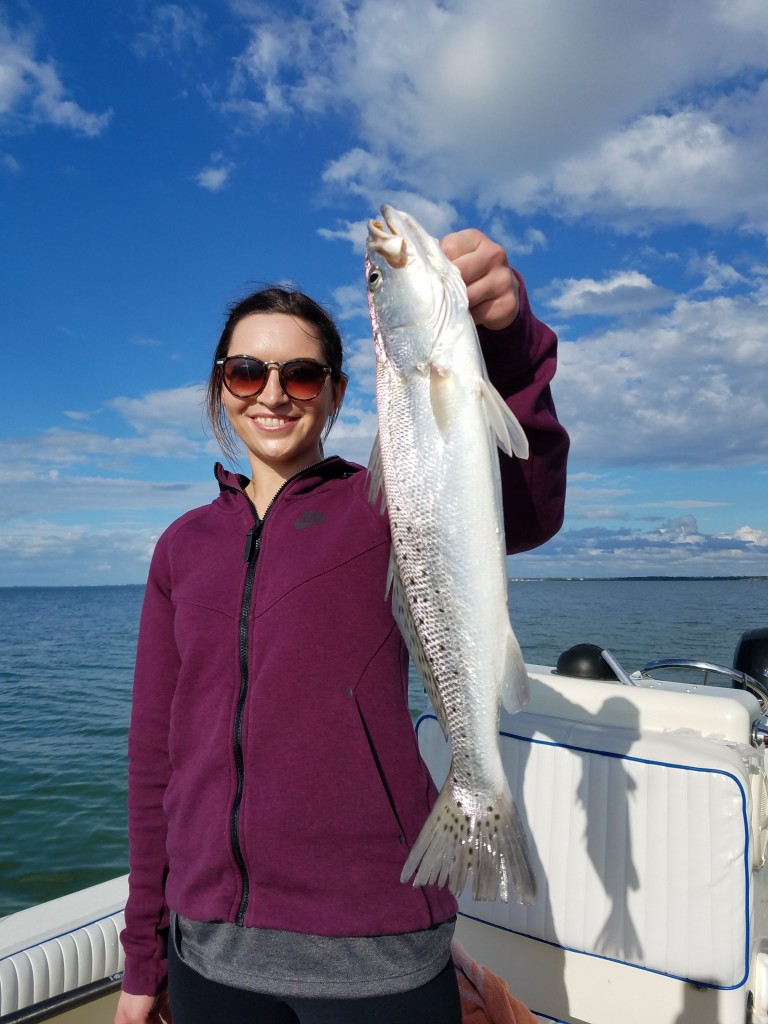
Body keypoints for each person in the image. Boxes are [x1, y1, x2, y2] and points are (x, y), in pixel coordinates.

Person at [115, 228, 569, 1024]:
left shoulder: (384, 505)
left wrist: (511, 344)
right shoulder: (181, 547)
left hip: (379, 949)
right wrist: (144, 959)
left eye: (301, 373)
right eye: (247, 371)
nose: (273, 392)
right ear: (221, 386)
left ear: (336, 391)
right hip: (209, 954)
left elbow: (525, 510)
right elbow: (155, 760)